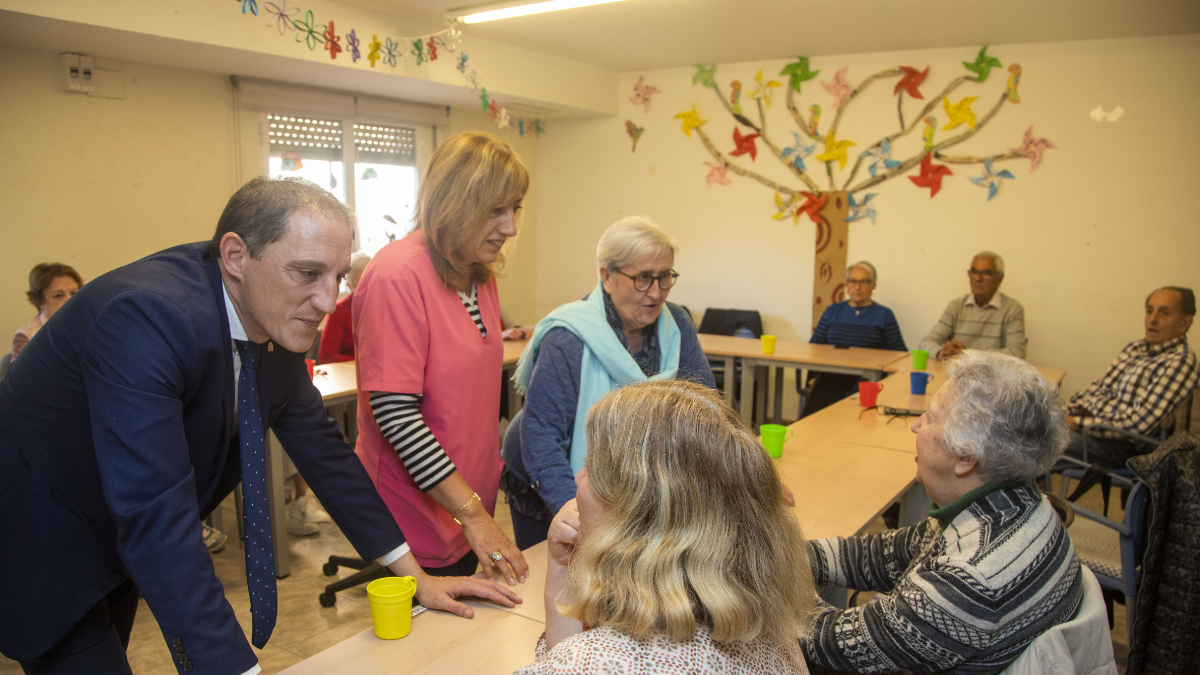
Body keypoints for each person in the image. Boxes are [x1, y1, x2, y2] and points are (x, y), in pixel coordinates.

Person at [0, 177, 519, 675]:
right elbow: (158, 517)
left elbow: (327, 458)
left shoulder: (269, 320)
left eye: (338, 276)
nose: (327, 300)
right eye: (308, 273)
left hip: (114, 538)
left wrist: (416, 579)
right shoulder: (148, 318)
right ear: (235, 256)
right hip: (42, 539)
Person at [802, 350, 1082, 674]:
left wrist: (752, 580)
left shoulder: (969, 579)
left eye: (932, 417)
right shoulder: (1010, 502)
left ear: (965, 457)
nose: (917, 425)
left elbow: (831, 643)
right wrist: (780, 553)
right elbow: (881, 555)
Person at [514, 380, 815, 674]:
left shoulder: (593, 660)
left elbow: (569, 661)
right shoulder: (772, 629)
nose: (578, 479)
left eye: (592, 469)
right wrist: (563, 569)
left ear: (635, 518)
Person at [353, 131, 529, 583]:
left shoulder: (479, 275)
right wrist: (472, 515)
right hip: (413, 514)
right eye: (496, 210)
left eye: (515, 208)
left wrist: (475, 511)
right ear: (456, 203)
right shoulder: (398, 274)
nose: (510, 227)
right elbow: (395, 415)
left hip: (464, 504)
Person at [502, 216, 715, 549]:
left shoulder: (678, 325)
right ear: (607, 276)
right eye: (643, 278)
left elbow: (706, 412)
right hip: (546, 477)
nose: (656, 293)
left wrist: (742, 476)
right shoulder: (568, 337)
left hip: (628, 478)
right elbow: (541, 437)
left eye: (665, 277)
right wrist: (579, 516)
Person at [1062, 286, 1198, 496]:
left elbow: (1137, 425)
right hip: (1091, 429)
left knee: (1032, 442)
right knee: (1020, 432)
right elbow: (1098, 390)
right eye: (1149, 310)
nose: (1152, 319)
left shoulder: (1180, 361)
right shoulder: (1135, 348)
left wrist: (1078, 423)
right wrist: (1064, 412)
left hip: (1120, 445)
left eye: (1164, 313)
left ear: (1185, 322)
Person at [802, 261, 906, 416]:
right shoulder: (833, 311)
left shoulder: (884, 315)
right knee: (824, 390)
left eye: (863, 281)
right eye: (853, 281)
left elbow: (899, 352)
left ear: (873, 285)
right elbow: (814, 347)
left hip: (867, 377)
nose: (858, 287)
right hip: (832, 373)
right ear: (846, 285)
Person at [919, 251, 1027, 360]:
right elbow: (926, 342)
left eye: (985, 273)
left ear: (999, 279)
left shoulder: (1012, 309)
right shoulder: (956, 306)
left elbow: (1017, 353)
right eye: (974, 272)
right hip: (958, 374)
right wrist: (941, 352)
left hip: (992, 375)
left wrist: (969, 354)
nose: (977, 278)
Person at [11, 262, 82, 361]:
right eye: (58, 295)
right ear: (40, 301)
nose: (69, 300)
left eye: (74, 293)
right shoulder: (26, 336)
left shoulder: (89, 324)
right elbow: (20, 376)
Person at [317, 250, 370, 363]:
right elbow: (327, 356)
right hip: (347, 373)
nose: (369, 287)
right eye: (362, 282)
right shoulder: (339, 311)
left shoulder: (386, 307)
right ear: (349, 286)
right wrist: (364, 363)